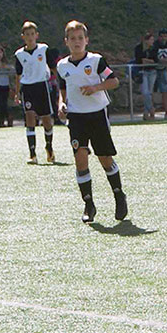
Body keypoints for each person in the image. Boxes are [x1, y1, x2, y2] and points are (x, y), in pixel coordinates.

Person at [56, 20, 127, 224]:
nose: (77, 42)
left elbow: (114, 81)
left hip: (97, 115)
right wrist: (62, 104)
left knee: (104, 158)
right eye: (72, 39)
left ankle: (119, 196)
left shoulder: (96, 61)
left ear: (86, 40)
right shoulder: (62, 66)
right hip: (76, 117)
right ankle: (89, 204)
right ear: (66, 42)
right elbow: (62, 89)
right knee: (80, 158)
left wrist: (95, 88)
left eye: (80, 38)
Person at [14, 22, 55, 164]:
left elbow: (53, 67)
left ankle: (49, 147)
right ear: (23, 37)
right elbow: (18, 75)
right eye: (27, 35)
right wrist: (17, 92)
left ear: (36, 35)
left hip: (42, 86)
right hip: (28, 88)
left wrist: (58, 83)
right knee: (30, 117)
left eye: (32, 34)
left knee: (46, 119)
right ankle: (32, 153)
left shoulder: (43, 49)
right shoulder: (19, 54)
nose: (30, 37)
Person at [150, 28, 167, 119]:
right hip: (153, 70)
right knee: (152, 91)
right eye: (161, 36)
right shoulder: (155, 44)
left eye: (165, 36)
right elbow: (152, 57)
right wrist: (161, 60)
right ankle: (151, 112)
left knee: (165, 90)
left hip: (163, 70)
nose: (163, 38)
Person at [133, 31, 157, 119]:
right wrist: (147, 60)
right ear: (146, 40)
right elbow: (139, 60)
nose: (152, 41)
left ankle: (146, 113)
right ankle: (151, 109)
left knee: (150, 92)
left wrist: (147, 60)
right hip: (143, 72)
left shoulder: (153, 48)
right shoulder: (139, 48)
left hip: (152, 72)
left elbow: (155, 60)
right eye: (151, 40)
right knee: (145, 92)